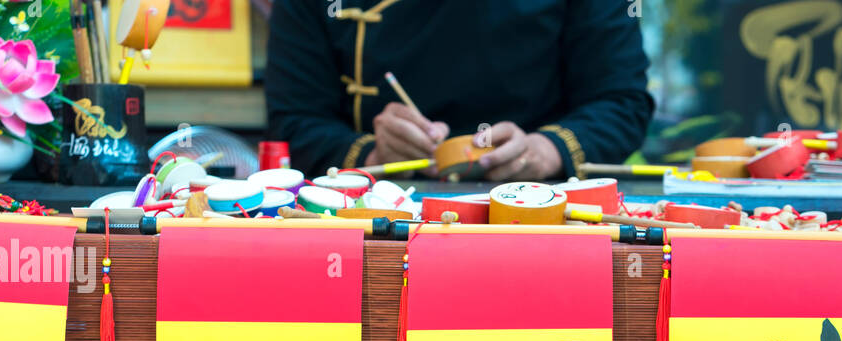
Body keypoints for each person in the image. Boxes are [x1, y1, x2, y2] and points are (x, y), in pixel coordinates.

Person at [264, 0, 654, 179]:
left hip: (545, 211)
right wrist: (374, 153)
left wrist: (544, 151)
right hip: (375, 212)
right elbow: (295, 121)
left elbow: (622, 101)